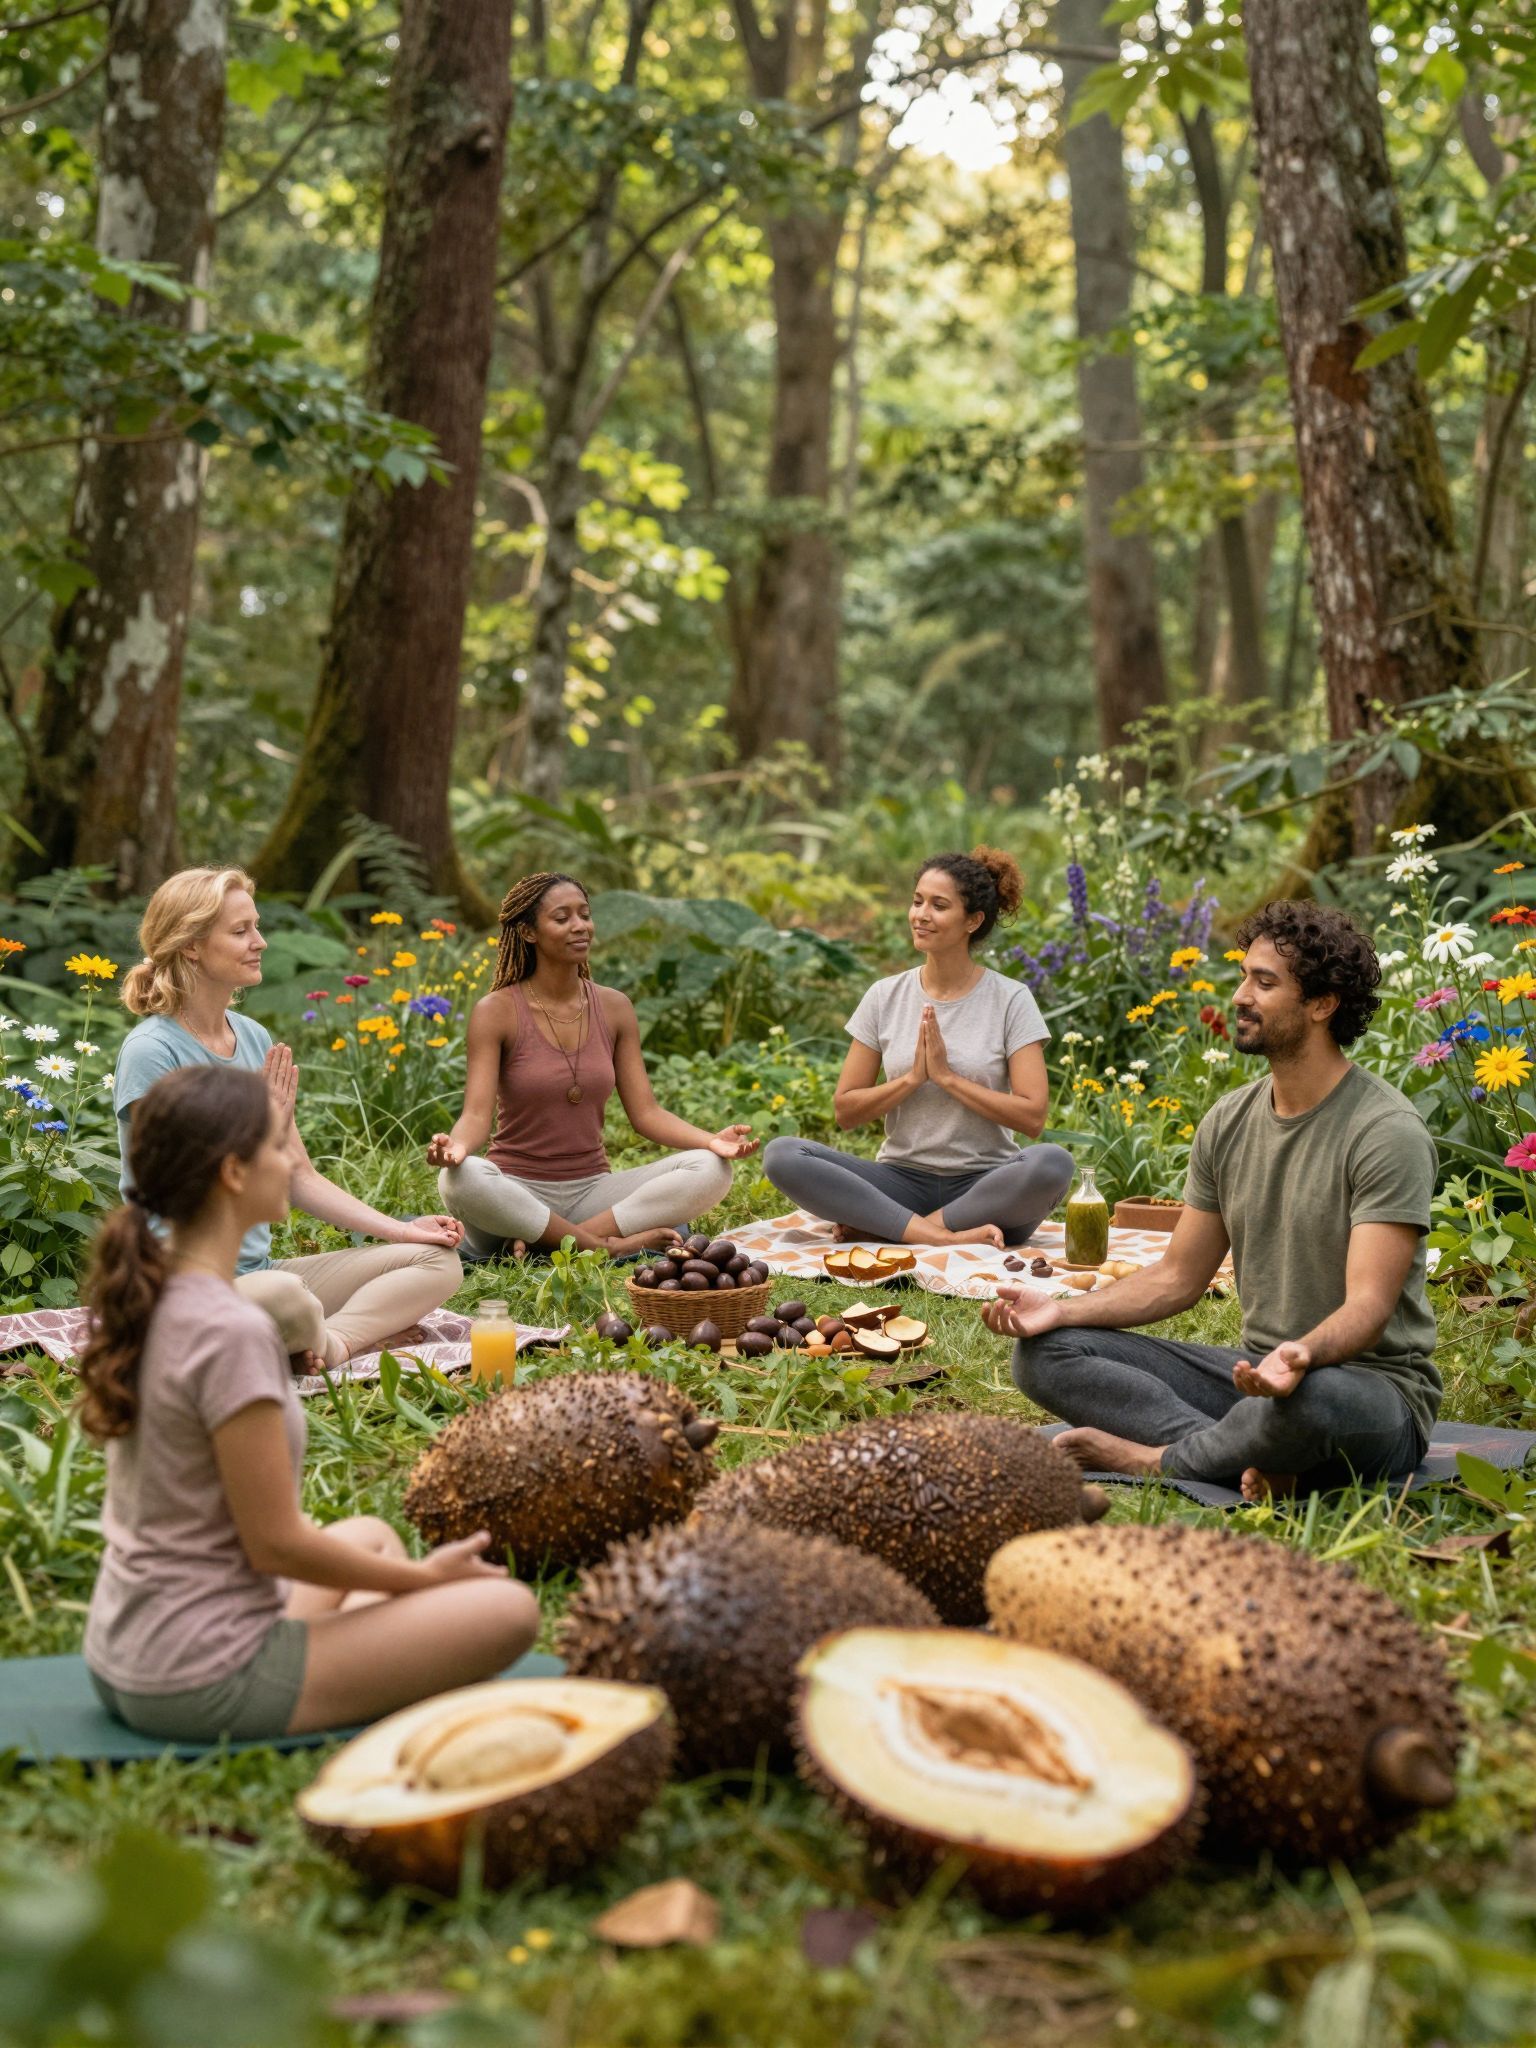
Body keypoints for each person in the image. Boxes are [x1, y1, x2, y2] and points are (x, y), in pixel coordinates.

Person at [81, 1065, 538, 1743]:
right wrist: (419, 1579)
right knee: (509, 1610)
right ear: (233, 1173)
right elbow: (276, 1546)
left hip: (128, 1650)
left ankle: (367, 1653)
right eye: (277, 1147)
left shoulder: (155, 1293)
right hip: (203, 1677)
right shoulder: (232, 1330)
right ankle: (367, 1659)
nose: (292, 1163)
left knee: (369, 1534)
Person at [987, 901, 1440, 1502]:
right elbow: (1178, 1277)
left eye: (1265, 983)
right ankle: (1246, 1458)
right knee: (1045, 1354)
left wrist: (1302, 1355)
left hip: (1366, 1392)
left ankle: (1160, 1459)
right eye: (1244, 976)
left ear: (1322, 1004)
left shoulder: (1386, 1132)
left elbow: (1369, 1306)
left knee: (1311, 1399)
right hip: (1254, 1380)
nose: (1240, 996)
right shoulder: (1228, 1121)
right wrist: (1061, 1312)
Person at [114, 867, 465, 1375]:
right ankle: (317, 1334)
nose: (259, 942)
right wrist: (264, 1131)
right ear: (191, 945)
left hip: (260, 1273)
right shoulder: (151, 1052)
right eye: (241, 931)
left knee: (436, 1262)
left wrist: (404, 1232)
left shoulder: (254, 1038)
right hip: (182, 1284)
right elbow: (178, 1190)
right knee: (287, 1296)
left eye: (255, 926)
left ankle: (334, 1343)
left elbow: (298, 1175)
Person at [428, 872, 758, 1257]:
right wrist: (456, 1148)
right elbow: (475, 1115)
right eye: (562, 917)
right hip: (515, 1197)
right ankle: (605, 1247)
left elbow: (647, 1114)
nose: (580, 926)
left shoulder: (615, 1007)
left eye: (584, 915)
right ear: (529, 932)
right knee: (459, 1178)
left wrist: (711, 1141)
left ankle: (547, 1243)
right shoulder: (496, 1011)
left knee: (712, 1168)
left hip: (592, 1193)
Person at [762, 848, 1073, 1249]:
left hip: (985, 1191)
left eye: (939, 906)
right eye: (917, 901)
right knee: (783, 1154)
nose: (921, 915)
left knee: (1052, 1162)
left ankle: (901, 1229)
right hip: (899, 1183)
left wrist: (946, 1078)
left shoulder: (1011, 999)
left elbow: (1032, 1117)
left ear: (973, 921)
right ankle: (939, 1236)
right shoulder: (884, 996)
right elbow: (846, 1110)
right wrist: (912, 1079)